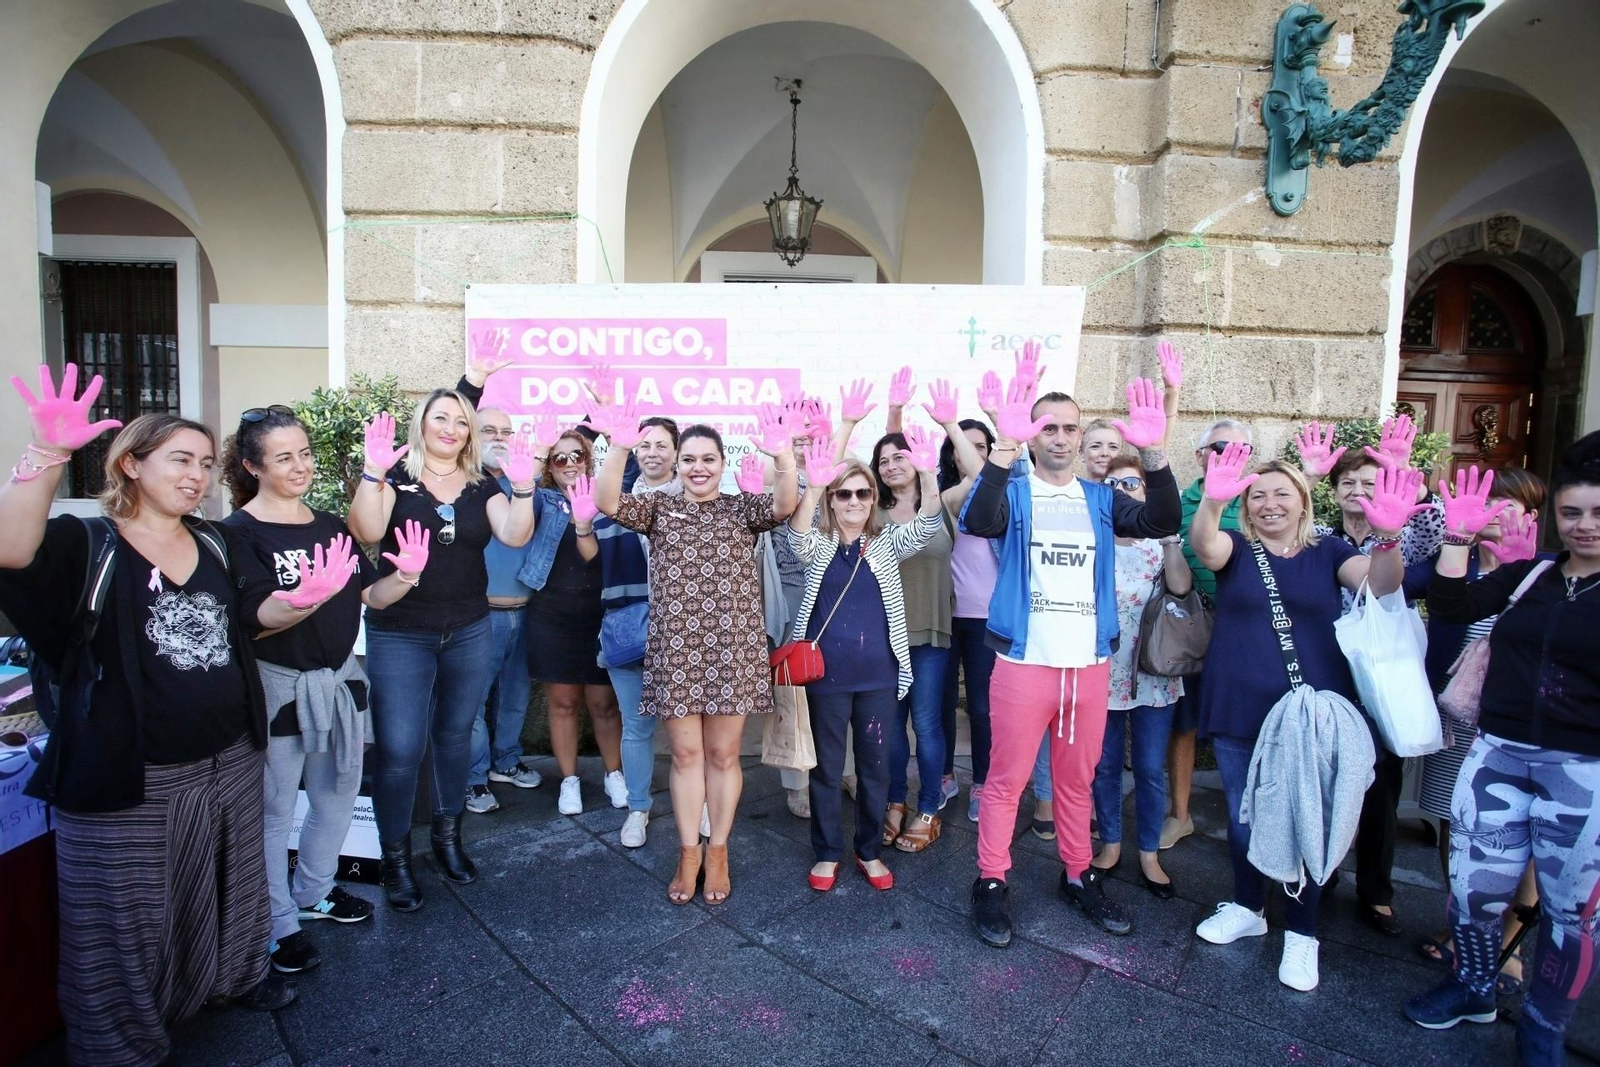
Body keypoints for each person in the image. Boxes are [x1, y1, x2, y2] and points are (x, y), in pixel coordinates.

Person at [0, 367, 307, 1067]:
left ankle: (234, 977)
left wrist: (302, 600)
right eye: (179, 460)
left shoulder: (216, 542)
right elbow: (10, 551)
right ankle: (119, 1044)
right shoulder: (87, 542)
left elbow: (249, 619)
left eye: (204, 463)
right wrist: (47, 452)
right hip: (130, 771)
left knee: (231, 885)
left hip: (229, 756)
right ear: (130, 465)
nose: (196, 476)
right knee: (123, 916)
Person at [963, 354, 1181, 948]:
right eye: (1048, 427)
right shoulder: (1015, 490)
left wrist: (1155, 453)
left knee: (1076, 782)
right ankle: (990, 880)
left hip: (1088, 668)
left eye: (1069, 427)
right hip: (1024, 664)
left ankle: (1079, 874)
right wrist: (1004, 447)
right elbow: (978, 521)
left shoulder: (1100, 499)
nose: (1059, 437)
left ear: (1081, 436)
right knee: (1006, 781)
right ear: (1033, 436)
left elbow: (1162, 518)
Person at [1188, 444, 1416, 992]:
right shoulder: (1236, 547)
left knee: (1307, 818)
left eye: (1282, 493)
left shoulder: (1329, 550)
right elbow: (1204, 546)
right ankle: (1248, 907)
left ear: (1303, 501)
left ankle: (1303, 932)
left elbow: (1382, 585)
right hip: (1240, 705)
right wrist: (1213, 502)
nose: (1269, 504)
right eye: (1258, 495)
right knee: (1243, 817)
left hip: (1311, 712)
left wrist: (1388, 538)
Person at [1403, 444, 1600, 1066]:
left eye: (1598, 513)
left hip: (1582, 772)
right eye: (1572, 512)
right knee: (1473, 893)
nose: (1584, 526)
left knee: (1572, 915)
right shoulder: (1532, 574)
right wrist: (1458, 538)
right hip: (1498, 755)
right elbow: (1452, 607)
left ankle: (1543, 1029)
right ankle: (1473, 986)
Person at [221, 406, 426, 973]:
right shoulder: (237, 533)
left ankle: (313, 893)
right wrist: (304, 598)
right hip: (278, 688)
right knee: (273, 809)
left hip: (338, 683)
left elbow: (370, 597)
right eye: (284, 457)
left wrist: (407, 574)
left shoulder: (331, 525)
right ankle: (275, 921)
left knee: (336, 797)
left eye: (305, 453)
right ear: (252, 466)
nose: (300, 466)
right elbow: (254, 619)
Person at [594, 407, 798, 905]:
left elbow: (785, 504)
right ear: (677, 464)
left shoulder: (741, 509)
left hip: (733, 651)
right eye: (689, 459)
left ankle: (718, 851)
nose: (698, 467)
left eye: (708, 459)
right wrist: (620, 445)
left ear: (723, 463)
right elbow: (606, 501)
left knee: (724, 755)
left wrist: (784, 455)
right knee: (685, 755)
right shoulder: (657, 509)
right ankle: (689, 853)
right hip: (676, 651)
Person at [347, 389, 536, 911]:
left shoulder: (481, 484)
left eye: (461, 421)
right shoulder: (395, 478)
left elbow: (515, 535)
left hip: (468, 628)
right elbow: (365, 530)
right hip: (400, 631)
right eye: (440, 418)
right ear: (422, 424)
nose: (451, 429)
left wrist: (523, 487)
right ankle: (395, 860)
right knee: (400, 749)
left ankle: (448, 841)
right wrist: (372, 472)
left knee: (454, 738)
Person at [1298, 416, 1445, 938]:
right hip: (1329, 670)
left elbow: (1439, 528)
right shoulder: (1319, 537)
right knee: (1325, 779)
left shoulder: (1402, 532)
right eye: (1348, 482)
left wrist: (1402, 474)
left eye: (1369, 481)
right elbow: (1286, 523)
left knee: (1381, 787)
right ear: (1334, 490)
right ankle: (1323, 872)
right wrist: (1308, 476)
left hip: (1384, 676)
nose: (1358, 490)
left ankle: (1377, 892)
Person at [787, 433, 942, 891]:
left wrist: (928, 472)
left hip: (879, 677)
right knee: (827, 768)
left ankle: (869, 851)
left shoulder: (887, 541)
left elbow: (929, 524)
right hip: (826, 678)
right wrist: (816, 486)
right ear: (832, 500)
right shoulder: (819, 544)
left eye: (862, 492)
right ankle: (827, 852)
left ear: (874, 498)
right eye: (844, 494)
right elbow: (796, 536)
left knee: (876, 768)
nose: (854, 501)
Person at [1415, 467, 1547, 986]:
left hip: (1517, 724)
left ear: (1530, 514)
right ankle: (1465, 926)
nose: (1494, 511)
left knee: (1521, 830)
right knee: (1456, 819)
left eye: (1506, 503)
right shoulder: (1457, 566)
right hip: (1456, 716)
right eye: (1486, 500)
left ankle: (1510, 937)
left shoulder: (1546, 571)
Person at [1089, 451, 1190, 899]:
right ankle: (1111, 844)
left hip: (1153, 670)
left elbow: (1182, 588)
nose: (1121, 492)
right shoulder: (1093, 539)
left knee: (1149, 767)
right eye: (1111, 486)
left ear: (1146, 492)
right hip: (1102, 670)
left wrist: (1169, 541)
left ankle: (1149, 852)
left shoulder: (1158, 541)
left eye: (1130, 484)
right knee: (1106, 765)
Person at [517, 426, 627, 816]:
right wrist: (538, 450)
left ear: (587, 460)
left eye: (576, 456)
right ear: (548, 465)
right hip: (551, 614)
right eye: (558, 457)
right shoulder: (540, 499)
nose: (568, 464)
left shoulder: (604, 497)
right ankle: (569, 780)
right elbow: (519, 496)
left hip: (599, 613)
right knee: (562, 703)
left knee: (604, 703)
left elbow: (601, 556)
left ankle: (614, 774)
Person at [1163, 417, 1251, 852]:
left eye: (1239, 449)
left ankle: (1250, 821)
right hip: (1192, 627)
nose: (1228, 456)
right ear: (1200, 455)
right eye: (1219, 447)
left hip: (1245, 632)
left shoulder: (1257, 499)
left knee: (1246, 729)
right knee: (1184, 724)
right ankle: (1180, 816)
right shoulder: (1180, 503)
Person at [598, 416, 684, 847]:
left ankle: (701, 804)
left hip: (685, 632)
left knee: (690, 728)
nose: (653, 453)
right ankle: (638, 808)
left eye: (662, 445)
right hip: (627, 629)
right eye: (645, 445)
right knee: (636, 726)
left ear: (677, 452)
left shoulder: (696, 502)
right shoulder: (613, 502)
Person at [466, 405, 542, 814]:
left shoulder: (525, 485)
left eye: (506, 432)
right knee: (473, 701)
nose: (499, 438)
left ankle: (506, 762)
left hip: (526, 611)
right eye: (489, 430)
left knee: (516, 694)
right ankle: (473, 779)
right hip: (479, 614)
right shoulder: (465, 485)